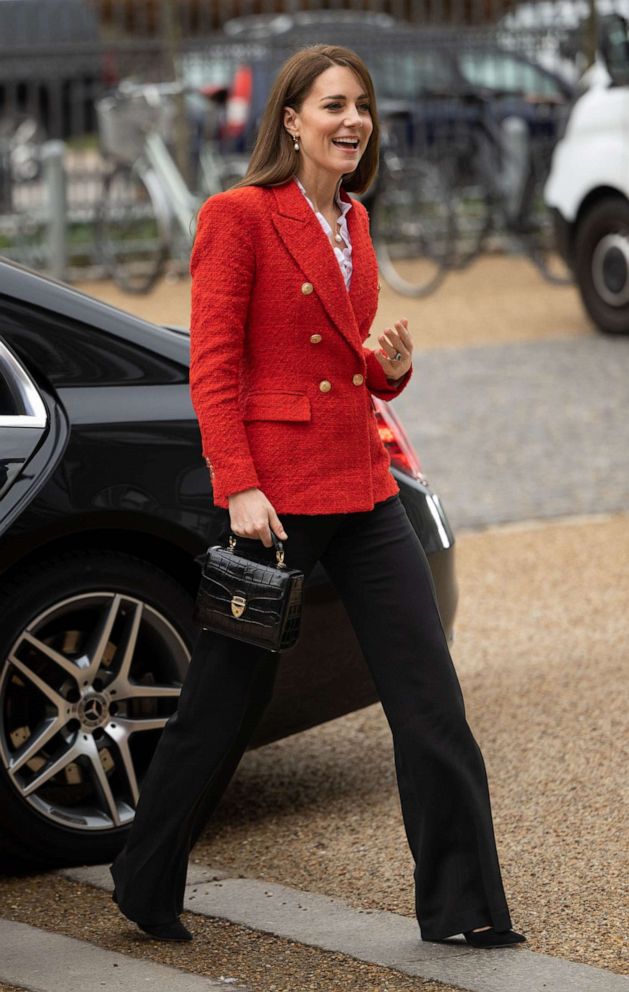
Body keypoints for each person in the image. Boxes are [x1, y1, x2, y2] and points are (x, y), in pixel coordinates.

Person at [110, 44, 526, 950]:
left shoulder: (358, 222)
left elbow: (346, 373)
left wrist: (389, 369)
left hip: (365, 491)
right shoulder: (237, 216)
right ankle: (144, 880)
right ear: (290, 121)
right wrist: (240, 485)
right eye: (333, 104)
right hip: (279, 506)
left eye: (362, 106)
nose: (353, 120)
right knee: (222, 705)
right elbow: (214, 368)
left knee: (428, 697)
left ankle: (465, 910)